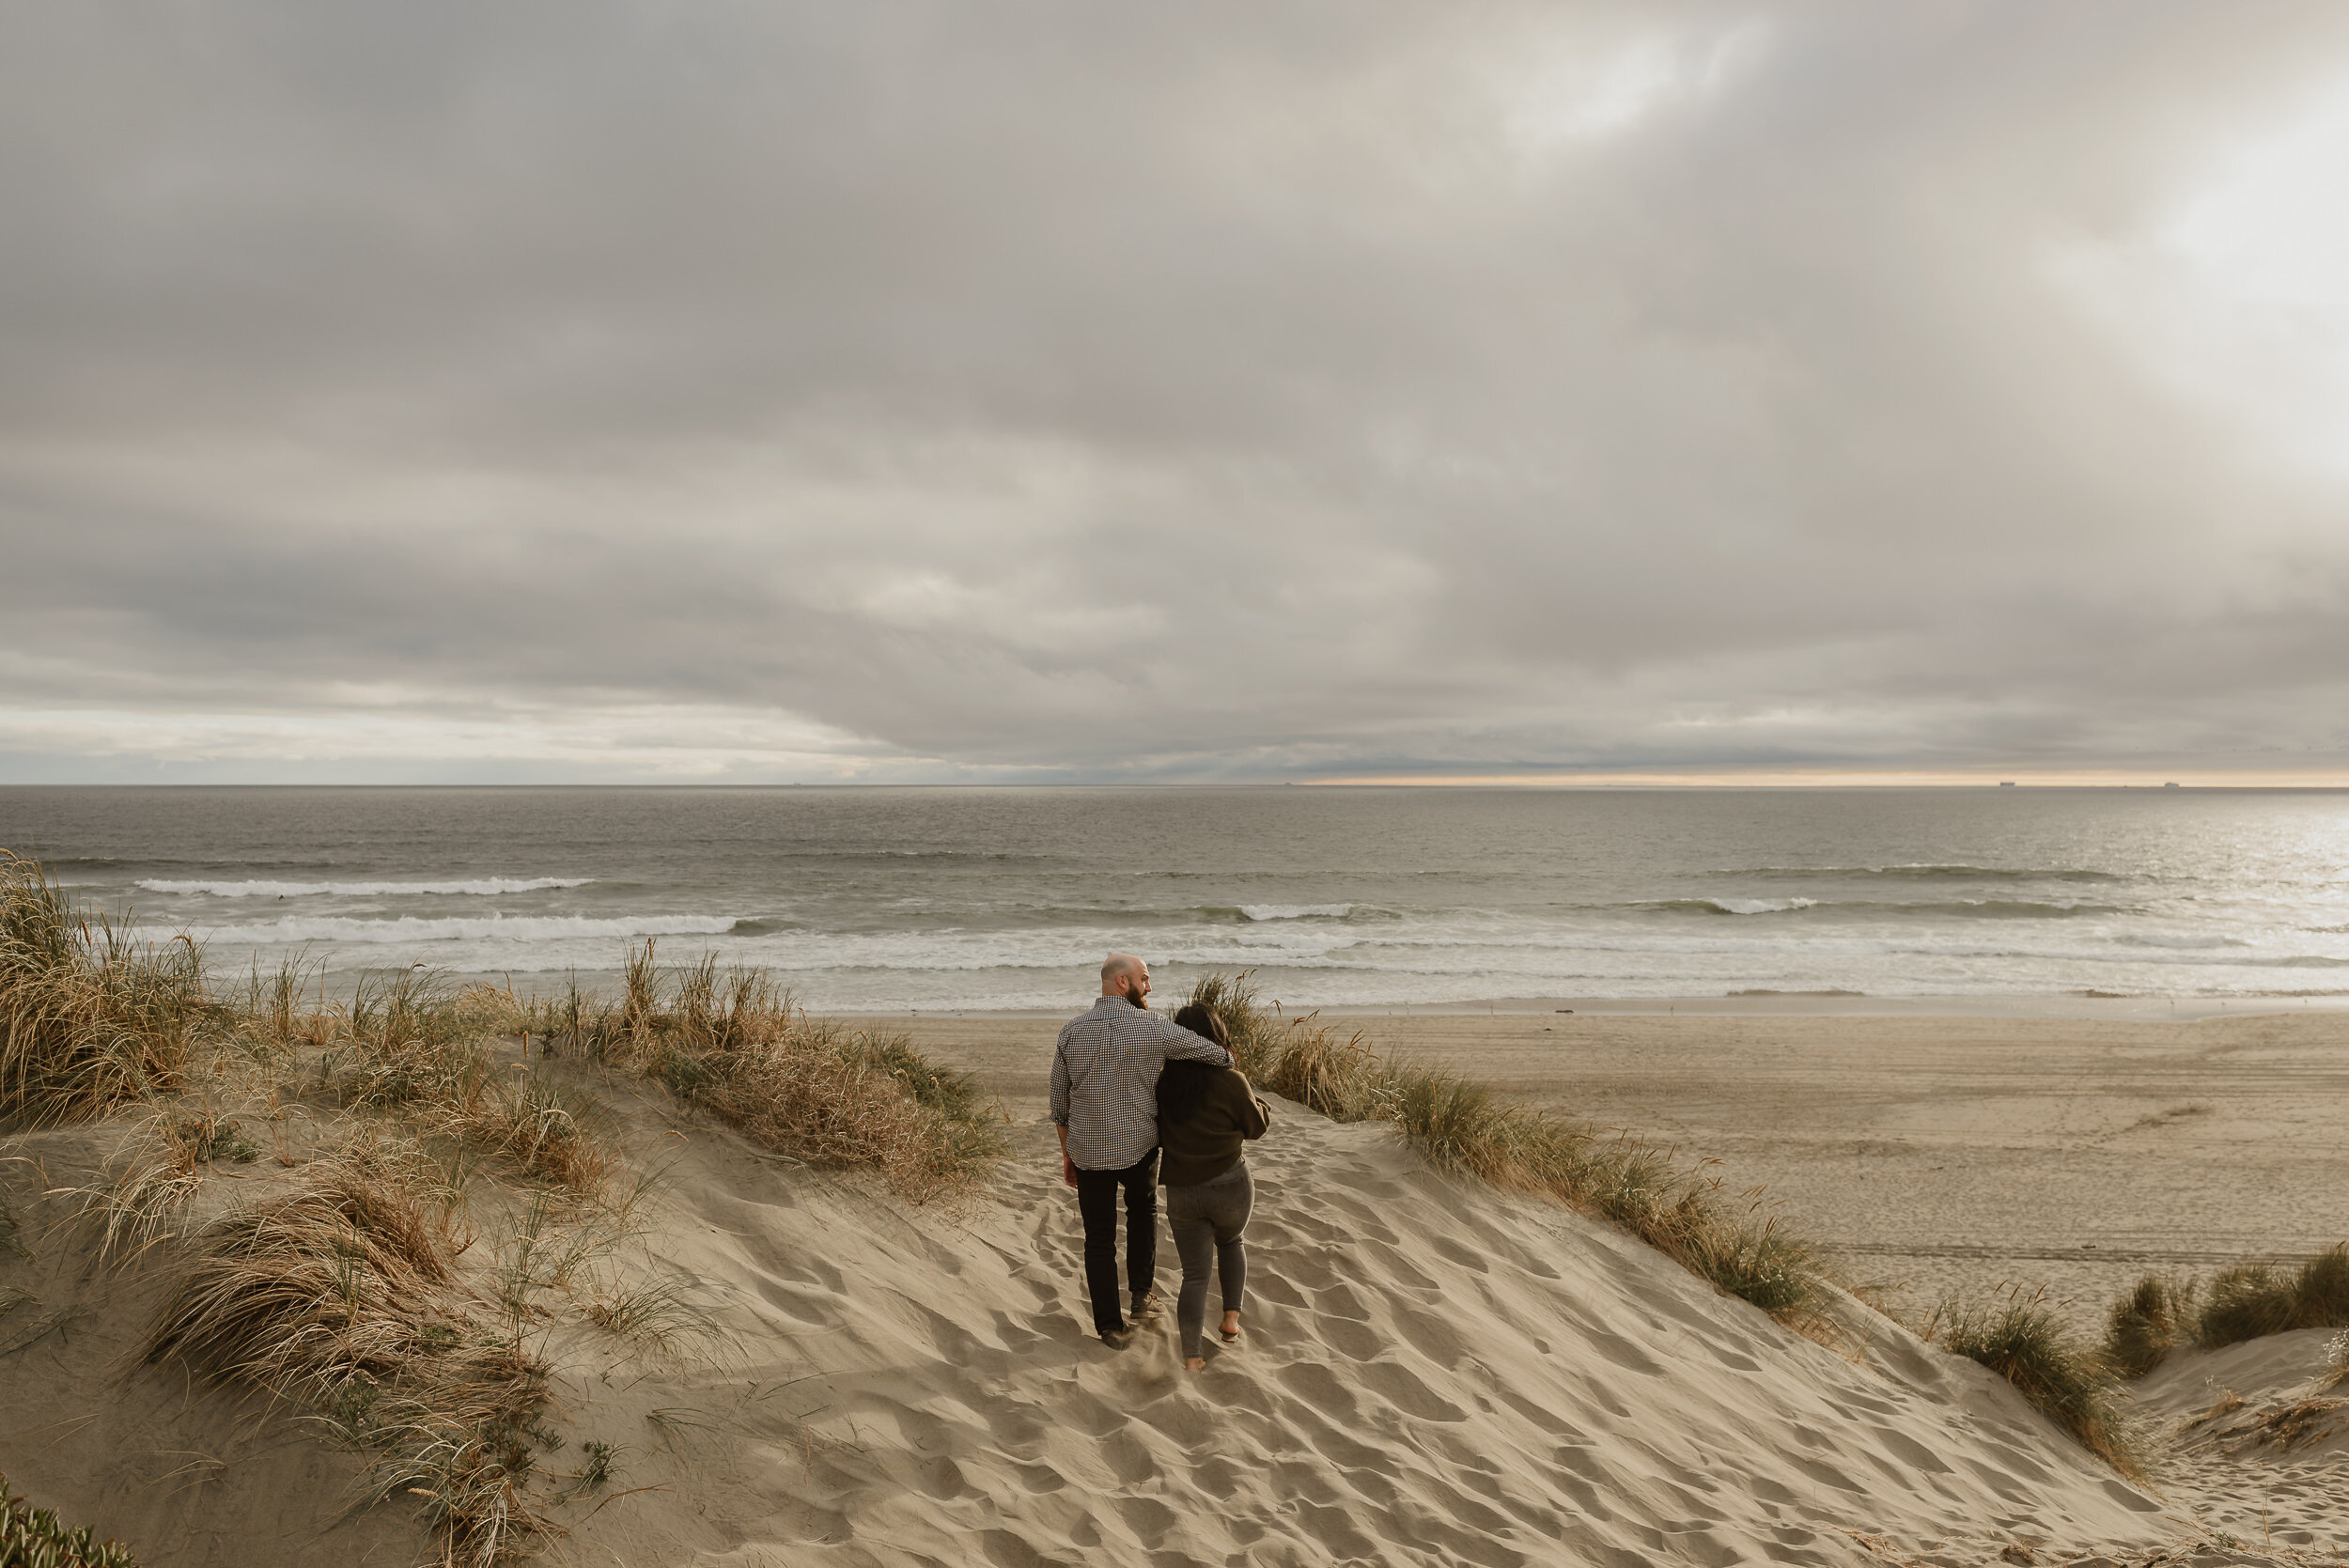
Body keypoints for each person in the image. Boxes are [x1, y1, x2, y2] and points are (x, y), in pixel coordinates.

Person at [1050, 953, 1231, 1347]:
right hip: (1140, 1147)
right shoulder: (1154, 1028)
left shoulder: (1070, 1032)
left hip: (1089, 1151)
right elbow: (1219, 1055)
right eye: (1145, 979)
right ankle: (1141, 1298)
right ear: (1122, 982)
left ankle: (1110, 1327)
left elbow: (1058, 1106)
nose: (1149, 987)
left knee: (1098, 1238)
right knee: (1142, 1213)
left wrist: (1068, 1154)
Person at [1159, 1003, 1269, 1372]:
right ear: (1216, 1037)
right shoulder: (1231, 1080)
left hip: (1183, 1191)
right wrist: (1262, 1105)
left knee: (1194, 1275)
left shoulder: (1164, 1083)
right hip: (1230, 1184)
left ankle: (1191, 1358)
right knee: (1233, 1242)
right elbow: (1255, 1128)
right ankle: (1230, 1322)